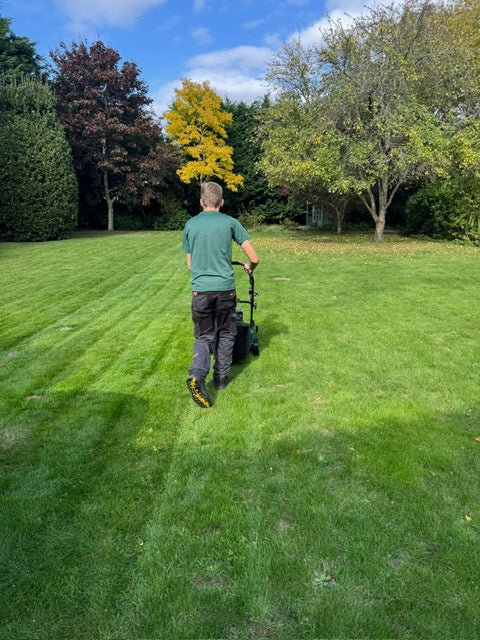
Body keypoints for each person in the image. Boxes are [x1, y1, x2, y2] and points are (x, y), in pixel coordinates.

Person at [183, 181, 259, 408]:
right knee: (226, 333)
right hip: (225, 289)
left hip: (200, 290)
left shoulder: (190, 225)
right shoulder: (230, 222)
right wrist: (249, 267)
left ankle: (197, 374)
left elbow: (190, 265)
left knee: (204, 336)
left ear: (201, 202)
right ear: (222, 202)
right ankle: (220, 380)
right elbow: (254, 258)